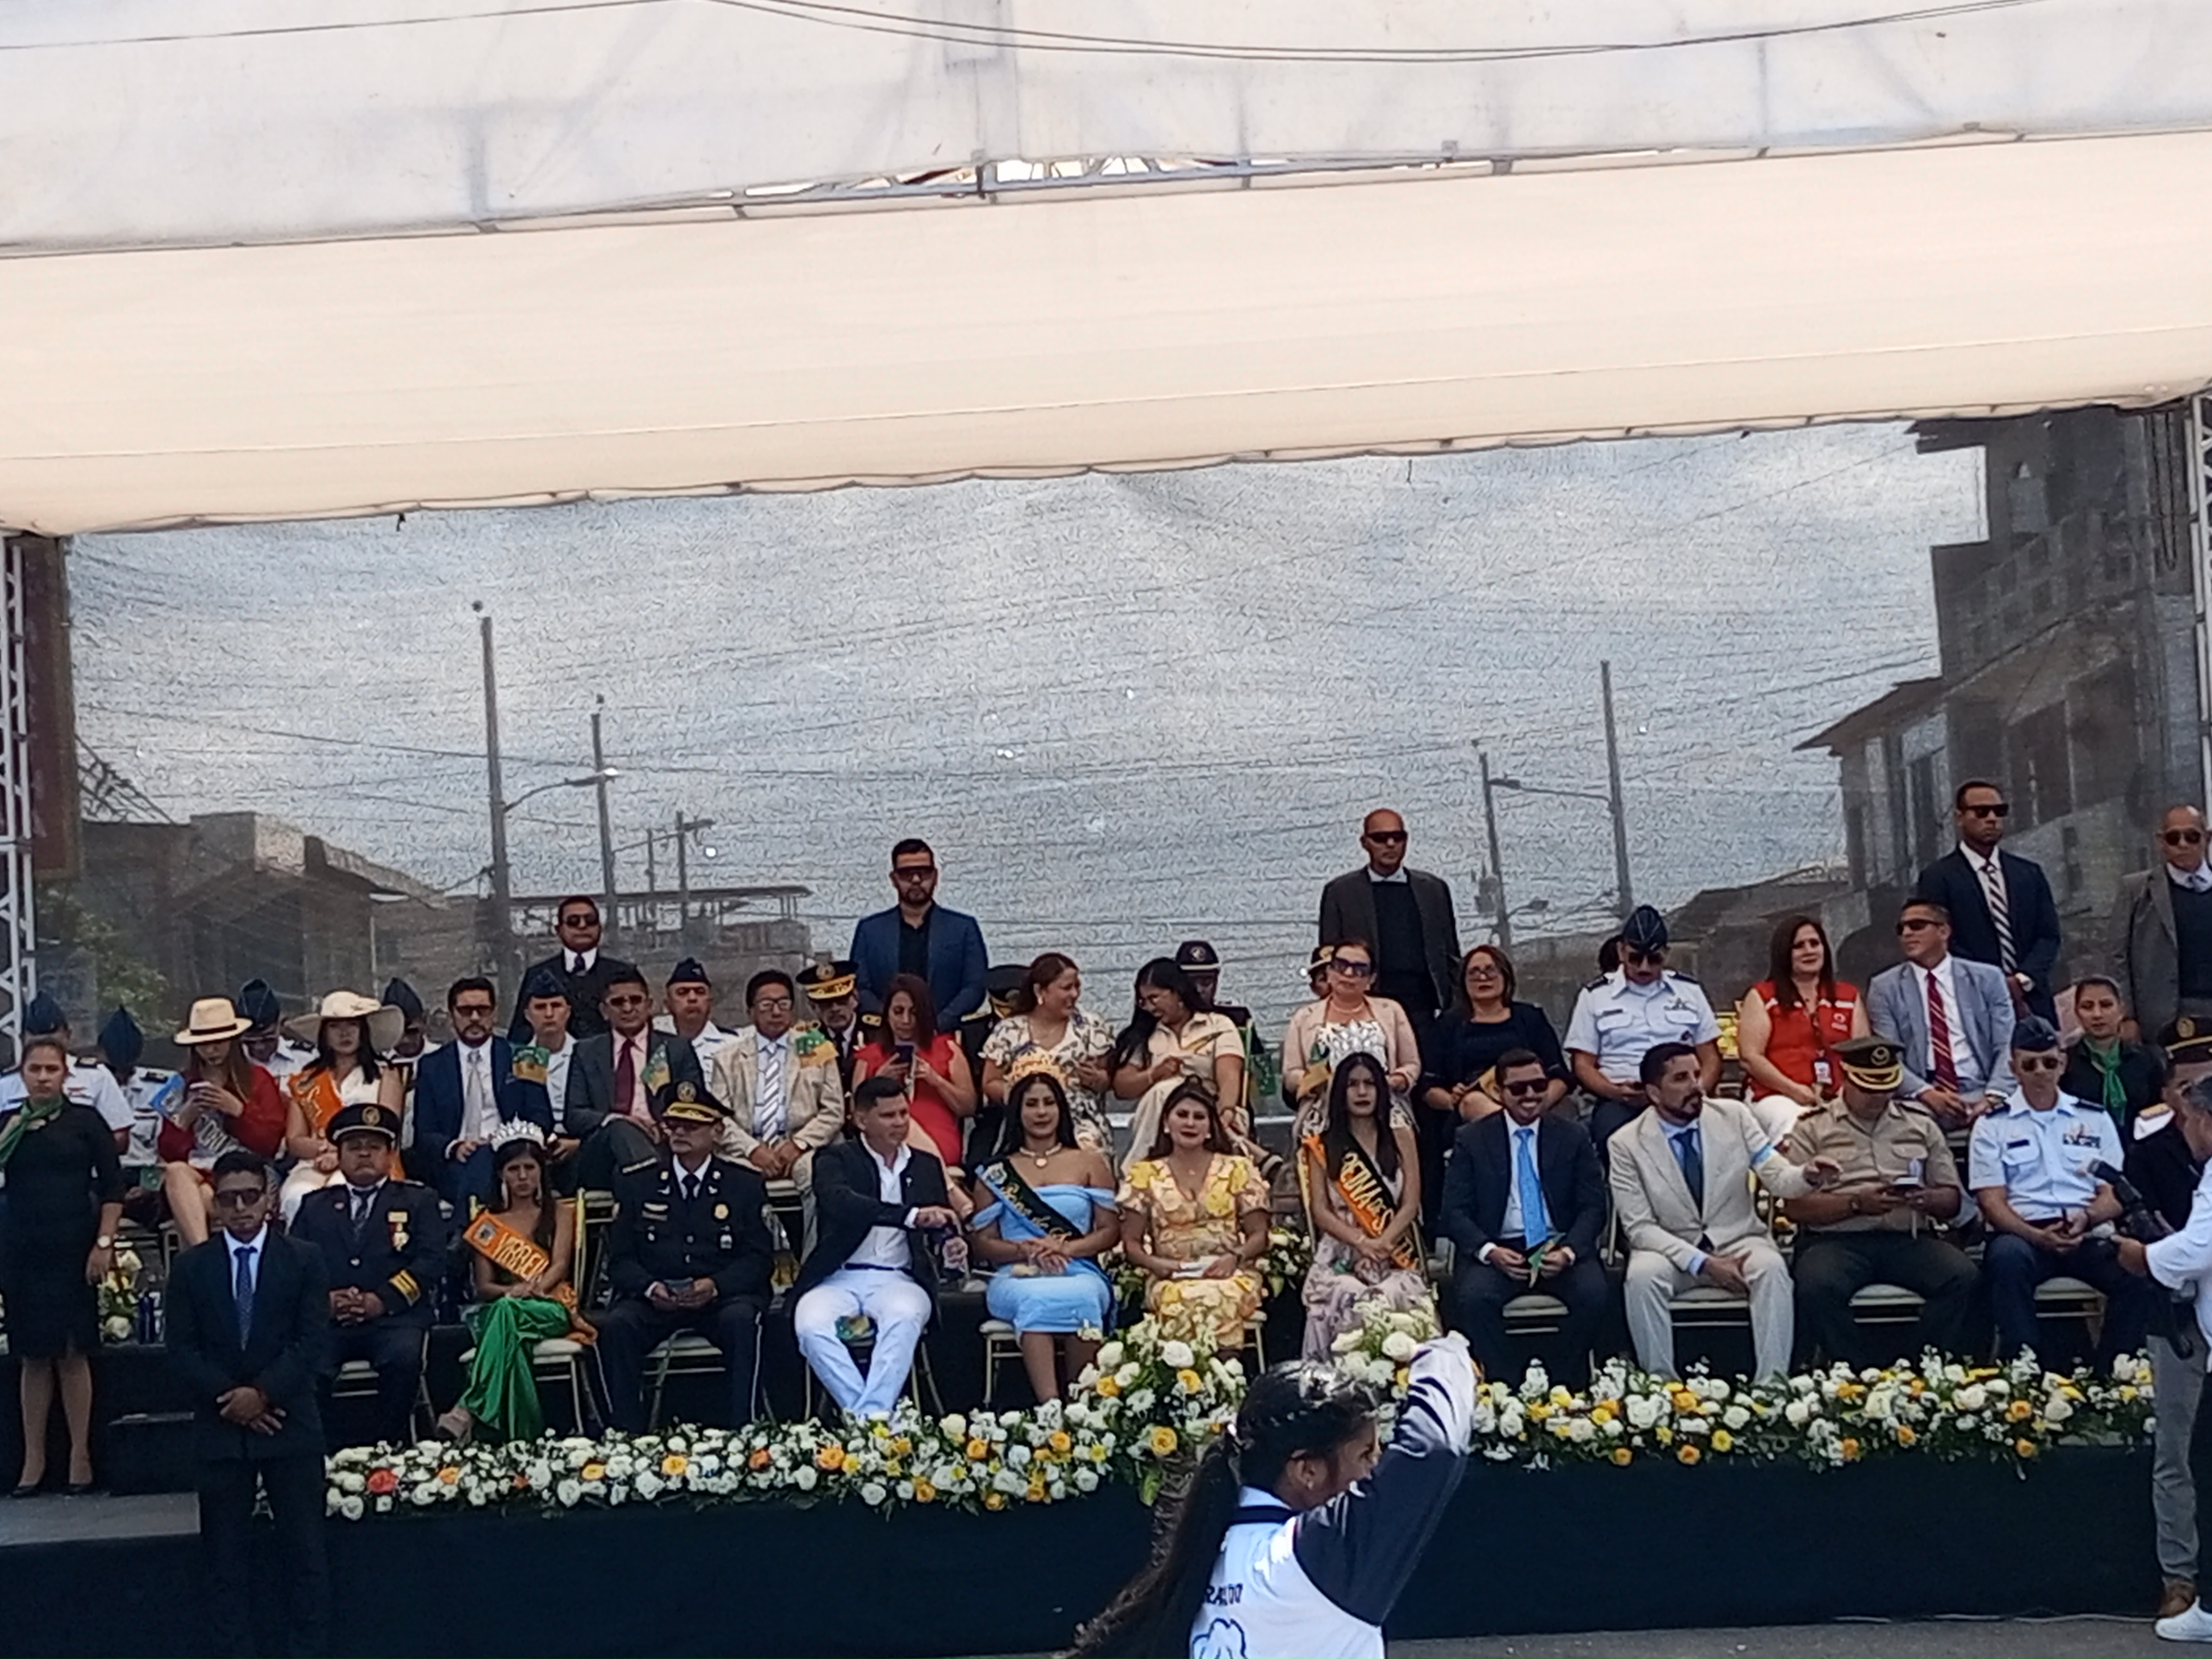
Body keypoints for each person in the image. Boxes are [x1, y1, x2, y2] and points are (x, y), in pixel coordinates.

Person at [1067, 1337, 1474, 1659]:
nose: (1376, 1468)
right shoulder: (1313, 1555)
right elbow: (1435, 1449)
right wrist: (1443, 1354)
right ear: (1306, 1470)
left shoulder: (1209, 1548)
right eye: (1365, 1454)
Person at [164, 1151, 331, 1659]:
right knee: (224, 1563)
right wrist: (234, 1400)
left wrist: (262, 1395)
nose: (240, 1208)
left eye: (250, 1197)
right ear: (215, 1204)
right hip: (221, 1429)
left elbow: (312, 1341)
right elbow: (181, 1350)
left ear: (269, 1200)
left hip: (289, 1422)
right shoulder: (191, 1268)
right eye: (229, 1199)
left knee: (306, 1557)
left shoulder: (304, 1259)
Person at [1609, 1042, 1839, 1381]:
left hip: (1738, 1239)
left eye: (1697, 1075)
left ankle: (1773, 1386)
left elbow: (1776, 1176)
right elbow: (1640, 1229)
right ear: (1654, 1093)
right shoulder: (1625, 1143)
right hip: (1672, 1248)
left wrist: (1807, 1176)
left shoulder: (1735, 1116)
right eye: (1681, 1079)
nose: (1696, 1086)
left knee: (1772, 1267)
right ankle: (1660, 1386)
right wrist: (1703, 1263)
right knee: (1642, 1277)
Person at [1781, 1036, 1982, 1368]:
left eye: (1887, 1088)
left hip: (1908, 1237)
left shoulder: (1921, 1124)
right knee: (1816, 1285)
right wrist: (1855, 1204)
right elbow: (1795, 1206)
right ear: (1847, 1078)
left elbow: (1952, 1200)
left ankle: (1924, 1367)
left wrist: (1927, 1199)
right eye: (1869, 1089)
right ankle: (1852, 1372)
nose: (1880, 1097)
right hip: (1837, 1240)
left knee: (1963, 1276)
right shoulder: (1812, 1128)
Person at [1968, 1016, 2153, 1370]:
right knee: (2006, 1260)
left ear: (2063, 1063)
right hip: (2023, 1233)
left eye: (2049, 1062)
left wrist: (2088, 1218)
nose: (2041, 1072)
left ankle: (2114, 1374)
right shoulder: (1992, 1125)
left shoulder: (2094, 1118)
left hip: (2087, 1231)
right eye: (2030, 1064)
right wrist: (2036, 1236)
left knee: (2136, 1270)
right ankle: (2025, 1368)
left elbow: (2115, 1192)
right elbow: (1991, 1202)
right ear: (2014, 1068)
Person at [595, 1086, 775, 1433]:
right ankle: (624, 1436)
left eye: (691, 1126)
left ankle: (746, 1431)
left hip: (719, 1299)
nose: (679, 1132)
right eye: (673, 1125)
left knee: (744, 1320)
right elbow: (620, 1260)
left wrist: (717, 1285)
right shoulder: (638, 1183)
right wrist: (650, 1287)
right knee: (618, 1325)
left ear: (717, 1132)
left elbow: (758, 1258)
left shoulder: (743, 1184)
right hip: (658, 1298)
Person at [1437, 1048, 1609, 1389]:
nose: (1530, 1095)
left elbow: (1593, 1206)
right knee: (1474, 1299)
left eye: (1539, 1085)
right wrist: (1490, 1252)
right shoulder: (1472, 1139)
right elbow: (1454, 1211)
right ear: (1499, 1092)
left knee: (1595, 1294)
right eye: (1519, 1088)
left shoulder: (1573, 1135)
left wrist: (1568, 1252)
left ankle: (1566, 1385)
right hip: (1499, 1247)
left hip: (1558, 1244)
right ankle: (1505, 1387)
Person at [2111, 1071, 2212, 1640]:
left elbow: (2196, 1248)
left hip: (2191, 1301)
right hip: (2179, 1321)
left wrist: (2144, 1257)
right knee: (2181, 1453)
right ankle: (2182, 1580)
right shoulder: (2149, 1153)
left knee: (2203, 1460)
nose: (2186, 1123)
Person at [1, 1034, 124, 1494]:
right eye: (35, 1070)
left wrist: (104, 1243)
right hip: (22, 1249)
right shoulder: (8, 1125)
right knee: (33, 1356)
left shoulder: (85, 1122)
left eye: (51, 1069)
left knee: (73, 1353)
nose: (43, 1078)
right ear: (22, 1075)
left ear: (65, 1074)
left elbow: (113, 1187)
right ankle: (33, 1458)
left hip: (74, 1248)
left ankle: (80, 1454)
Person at [791, 1078, 956, 1420]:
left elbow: (938, 1222)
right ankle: (875, 1421)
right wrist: (909, 1216)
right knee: (810, 1324)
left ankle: (867, 1420)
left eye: (904, 1114)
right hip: (838, 1277)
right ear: (861, 1120)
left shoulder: (926, 1164)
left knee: (905, 1317)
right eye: (888, 1115)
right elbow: (842, 1203)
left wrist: (950, 1244)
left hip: (899, 1278)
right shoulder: (833, 1159)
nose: (900, 1122)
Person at [290, 1102, 446, 1447]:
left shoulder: (418, 1200)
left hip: (395, 1319)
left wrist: (382, 1300)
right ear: (339, 1155)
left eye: (374, 1147)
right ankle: (322, 1452)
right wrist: (325, 1301)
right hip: (331, 1321)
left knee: (403, 1360)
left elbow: (432, 1262)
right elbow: (294, 1267)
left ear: (390, 1155)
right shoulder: (315, 1205)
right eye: (354, 1147)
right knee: (306, 1364)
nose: (364, 1154)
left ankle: (390, 1449)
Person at [968, 1058, 1119, 1401]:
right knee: (1035, 1298)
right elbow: (983, 1244)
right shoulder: (995, 1173)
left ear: (1061, 1109)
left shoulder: (1090, 1162)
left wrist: (1066, 1248)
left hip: (1078, 1268)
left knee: (1083, 1296)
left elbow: (1110, 1231)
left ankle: (1083, 1407)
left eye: (1049, 1103)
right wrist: (1025, 1250)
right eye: (1031, 1104)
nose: (1041, 1112)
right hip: (1017, 1273)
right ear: (1017, 1112)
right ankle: (1050, 1409)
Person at [437, 1126, 582, 1443]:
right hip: (505, 1309)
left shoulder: (560, 1213)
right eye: (514, 1169)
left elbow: (560, 1265)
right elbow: (484, 1288)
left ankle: (468, 1408)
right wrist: (512, 1292)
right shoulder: (488, 1224)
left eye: (530, 1168)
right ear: (501, 1174)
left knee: (505, 1315)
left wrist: (534, 1289)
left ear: (541, 1171)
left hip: (550, 1306)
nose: (523, 1177)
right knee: (510, 1333)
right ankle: (524, 1441)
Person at [1418, 944, 1568, 1226]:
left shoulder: (1530, 1018)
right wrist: (1451, 1099)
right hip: (1474, 1111)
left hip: (1532, 1100)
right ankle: (1516, 1144)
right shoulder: (1448, 1025)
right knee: (1474, 1103)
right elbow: (1428, 1089)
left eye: (1490, 970)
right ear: (1463, 982)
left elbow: (1560, 1077)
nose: (1482, 977)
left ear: (1506, 977)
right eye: (1474, 972)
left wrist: (1538, 1103)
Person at [1117, 1084, 1272, 1356]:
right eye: (1182, 1115)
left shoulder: (1237, 1168)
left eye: (1199, 1117)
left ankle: (1226, 1374)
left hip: (1230, 1273)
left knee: (1219, 1297)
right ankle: (1185, 1378)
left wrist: (1234, 1258)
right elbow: (1131, 1244)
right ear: (1166, 1123)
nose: (1190, 1123)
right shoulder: (1144, 1174)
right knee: (1178, 1300)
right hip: (1171, 1276)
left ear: (1211, 1128)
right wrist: (1158, 1265)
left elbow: (1260, 1235)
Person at [1299, 1053, 1430, 1361]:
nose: (1362, 1092)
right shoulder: (1321, 1145)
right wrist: (1361, 1242)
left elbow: (1411, 1203)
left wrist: (1381, 1242)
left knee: (1394, 1293)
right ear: (1340, 1093)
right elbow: (1320, 1210)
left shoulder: (1401, 1136)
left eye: (1370, 1084)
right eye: (1353, 1085)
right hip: (1340, 1253)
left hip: (1393, 1249)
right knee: (1347, 1293)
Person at [1563, 905, 1722, 1151]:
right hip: (1622, 1098)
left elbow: (1710, 1057)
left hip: (1684, 1095)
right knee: (1612, 1138)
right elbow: (1583, 1065)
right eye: (1636, 958)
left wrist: (1696, 1091)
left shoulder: (1690, 992)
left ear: (1666, 954)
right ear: (1621, 951)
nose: (1644, 967)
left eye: (1654, 959)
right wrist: (1615, 1092)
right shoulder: (1595, 996)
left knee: (1718, 1137)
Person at [1916, 778, 2063, 1022]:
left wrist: (2022, 980)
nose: (1992, 818)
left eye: (1999, 811)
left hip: (2032, 1000)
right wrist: (1993, 982)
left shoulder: (2028, 873)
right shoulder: (1938, 877)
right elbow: (1941, 941)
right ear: (1960, 817)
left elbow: (2049, 936)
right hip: (1971, 1003)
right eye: (1981, 812)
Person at [1866, 898, 2018, 1129]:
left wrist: (1993, 1097)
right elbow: (1888, 1057)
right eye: (1901, 929)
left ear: (1944, 931)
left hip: (1984, 1087)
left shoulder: (1988, 978)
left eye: (1917, 925)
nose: (1907, 934)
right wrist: (1926, 1093)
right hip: (1919, 1098)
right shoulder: (1884, 987)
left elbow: (2008, 1044)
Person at [158, 1000, 289, 1249]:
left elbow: (269, 1144)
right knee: (176, 1172)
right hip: (199, 1172)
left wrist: (238, 1111)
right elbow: (168, 1152)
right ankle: (203, 1255)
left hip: (249, 1172)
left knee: (203, 1197)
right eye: (204, 1044)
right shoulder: (181, 1084)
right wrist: (185, 1119)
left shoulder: (258, 1079)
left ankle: (201, 1257)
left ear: (233, 1041)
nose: (211, 1050)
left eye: (219, 1042)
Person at [563, 966, 707, 1191]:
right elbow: (574, 1115)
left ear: (649, 1005)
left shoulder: (676, 1049)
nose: (628, 1008)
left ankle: (643, 1187)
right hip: (602, 1152)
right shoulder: (586, 1052)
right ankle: (653, 1186)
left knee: (627, 1175)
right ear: (604, 1011)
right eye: (618, 1002)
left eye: (635, 1000)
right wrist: (618, 1120)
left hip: (662, 1142)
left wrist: (666, 1127)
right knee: (620, 1128)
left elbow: (694, 1105)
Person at [411, 976, 550, 1208]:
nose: (475, 1018)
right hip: (456, 1162)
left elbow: (541, 1118)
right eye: (466, 1011)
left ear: (494, 1014)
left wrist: (507, 1141)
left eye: (482, 1011)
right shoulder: (432, 1065)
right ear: (452, 1016)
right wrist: (455, 1147)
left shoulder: (524, 1056)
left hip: (513, 1159)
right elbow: (424, 1132)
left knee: (487, 1159)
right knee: (475, 1163)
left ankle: (466, 1227)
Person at [710, 968, 847, 1200]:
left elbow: (834, 1111)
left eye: (783, 1004)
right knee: (732, 1180)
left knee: (818, 1177)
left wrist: (799, 1144)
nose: (776, 1012)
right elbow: (718, 1118)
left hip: (805, 1147)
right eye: (766, 1005)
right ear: (750, 1012)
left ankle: (813, 1228)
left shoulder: (817, 1048)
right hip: (745, 1150)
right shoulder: (727, 1058)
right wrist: (752, 1150)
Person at [275, 991, 406, 1224]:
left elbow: (389, 1130)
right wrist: (324, 1150)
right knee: (297, 1195)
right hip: (315, 1162)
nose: (344, 1033)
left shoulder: (386, 1074)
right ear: (324, 1034)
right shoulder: (305, 1080)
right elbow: (295, 1140)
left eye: (352, 1025)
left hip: (371, 1163)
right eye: (335, 1026)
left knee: (341, 1194)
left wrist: (342, 1155)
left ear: (363, 1030)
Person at [1111, 956, 1251, 1175]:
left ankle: (1136, 1169)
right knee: (1164, 1091)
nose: (1149, 1007)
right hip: (1160, 1118)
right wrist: (1154, 1074)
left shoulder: (1218, 1025)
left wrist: (1225, 1114)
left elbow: (1230, 1076)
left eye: (1154, 998)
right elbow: (1122, 1087)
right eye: (1143, 1001)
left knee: (1170, 1092)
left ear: (1177, 992)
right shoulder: (1145, 1035)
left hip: (1214, 1109)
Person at [979, 951, 1117, 1151]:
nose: (1075, 994)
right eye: (1067, 988)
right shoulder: (1009, 1030)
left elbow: (1108, 1081)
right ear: (1040, 991)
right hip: (1026, 1120)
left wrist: (1097, 1079)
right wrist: (1019, 1095)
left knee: (1086, 1148)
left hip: (1080, 1121)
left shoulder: (1091, 1027)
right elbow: (990, 1082)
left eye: (1077, 987)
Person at [848, 838, 989, 1029]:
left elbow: (974, 987)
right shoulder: (870, 931)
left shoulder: (963, 928)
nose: (916, 880)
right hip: (885, 1037)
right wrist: (893, 1022)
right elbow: (861, 987)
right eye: (907, 874)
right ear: (894, 879)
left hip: (946, 1034)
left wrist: (938, 1024)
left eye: (924, 873)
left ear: (936, 876)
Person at [1281, 939, 1421, 1127]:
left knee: (1402, 1135)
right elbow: (1291, 1074)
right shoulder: (1304, 1017)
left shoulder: (1392, 1010)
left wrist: (1395, 1081)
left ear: (1371, 979)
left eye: (1359, 969)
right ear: (1329, 972)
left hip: (1387, 1111)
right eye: (1341, 966)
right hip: (1324, 1113)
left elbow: (1411, 1064)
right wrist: (1315, 1083)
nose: (1348, 974)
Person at [1736, 914, 1869, 1110]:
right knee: (1797, 1124)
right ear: (1784, 953)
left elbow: (1863, 1054)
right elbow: (1750, 1058)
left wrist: (1846, 1092)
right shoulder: (1762, 995)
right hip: (1777, 1096)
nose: (1809, 951)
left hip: (1841, 1096)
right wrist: (1794, 1090)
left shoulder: (1848, 996)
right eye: (1798, 946)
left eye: (1815, 944)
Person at [853, 973, 978, 1171]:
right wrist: (877, 1083)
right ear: (887, 1014)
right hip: (884, 1142)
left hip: (937, 1141)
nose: (906, 1020)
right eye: (898, 1012)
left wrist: (937, 1081)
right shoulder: (869, 1056)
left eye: (914, 1013)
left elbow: (968, 1107)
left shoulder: (947, 1049)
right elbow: (856, 1114)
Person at [2115, 804, 2212, 1046]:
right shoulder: (2136, 890)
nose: (2183, 845)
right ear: (2161, 841)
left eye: (2192, 837)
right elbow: (2117, 956)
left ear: (2207, 838)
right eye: (2173, 838)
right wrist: (2126, 1016)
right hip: (2162, 1016)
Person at [0, 992, 133, 1151]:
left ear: (68, 1035)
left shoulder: (95, 1076)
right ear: (22, 1039)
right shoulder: (7, 1083)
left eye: (52, 1040)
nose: (46, 1048)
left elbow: (120, 1136)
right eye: (38, 1041)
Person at [506, 894, 637, 1043]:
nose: (582, 926)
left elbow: (640, 1028)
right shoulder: (539, 974)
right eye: (573, 921)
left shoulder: (624, 973)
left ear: (600, 927)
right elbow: (520, 1035)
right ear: (559, 929)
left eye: (590, 920)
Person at [97, 1007, 174, 1220]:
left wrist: (150, 1185)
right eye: (113, 1069)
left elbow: (170, 1147)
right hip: (101, 1178)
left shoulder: (163, 1086)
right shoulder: (88, 1087)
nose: (120, 1076)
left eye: (126, 1069)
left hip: (148, 1176)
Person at [2063, 976, 2167, 1130]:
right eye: (2087, 1007)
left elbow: (2160, 1112)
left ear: (2121, 1010)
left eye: (2106, 1005)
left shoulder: (2146, 1060)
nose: (2097, 1014)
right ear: (2077, 1013)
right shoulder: (2066, 1064)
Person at [509, 965, 579, 1175]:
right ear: (527, 1014)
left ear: (568, 1011)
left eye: (556, 1006)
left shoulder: (589, 1055)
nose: (549, 1014)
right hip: (533, 1146)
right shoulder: (518, 1058)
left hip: (579, 1142)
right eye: (540, 1007)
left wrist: (580, 1142)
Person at [656, 956, 740, 1074]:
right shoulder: (655, 1044)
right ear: (667, 1003)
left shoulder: (732, 1046)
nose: (692, 998)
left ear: (710, 1002)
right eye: (682, 993)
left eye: (700, 992)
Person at [797, 958, 868, 1093]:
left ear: (855, 999)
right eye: (826, 1004)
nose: (835, 1009)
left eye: (842, 1001)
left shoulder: (876, 1033)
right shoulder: (808, 1040)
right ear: (813, 1007)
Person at [237, 979, 315, 1086]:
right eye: (250, 1042)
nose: (259, 1047)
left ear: (279, 1023)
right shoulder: (233, 1063)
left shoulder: (306, 1059)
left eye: (268, 1039)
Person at [1175, 939, 1254, 1033]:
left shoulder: (1237, 1020)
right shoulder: (1165, 1023)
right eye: (1190, 983)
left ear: (1216, 982)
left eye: (1206, 982)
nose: (1199, 989)